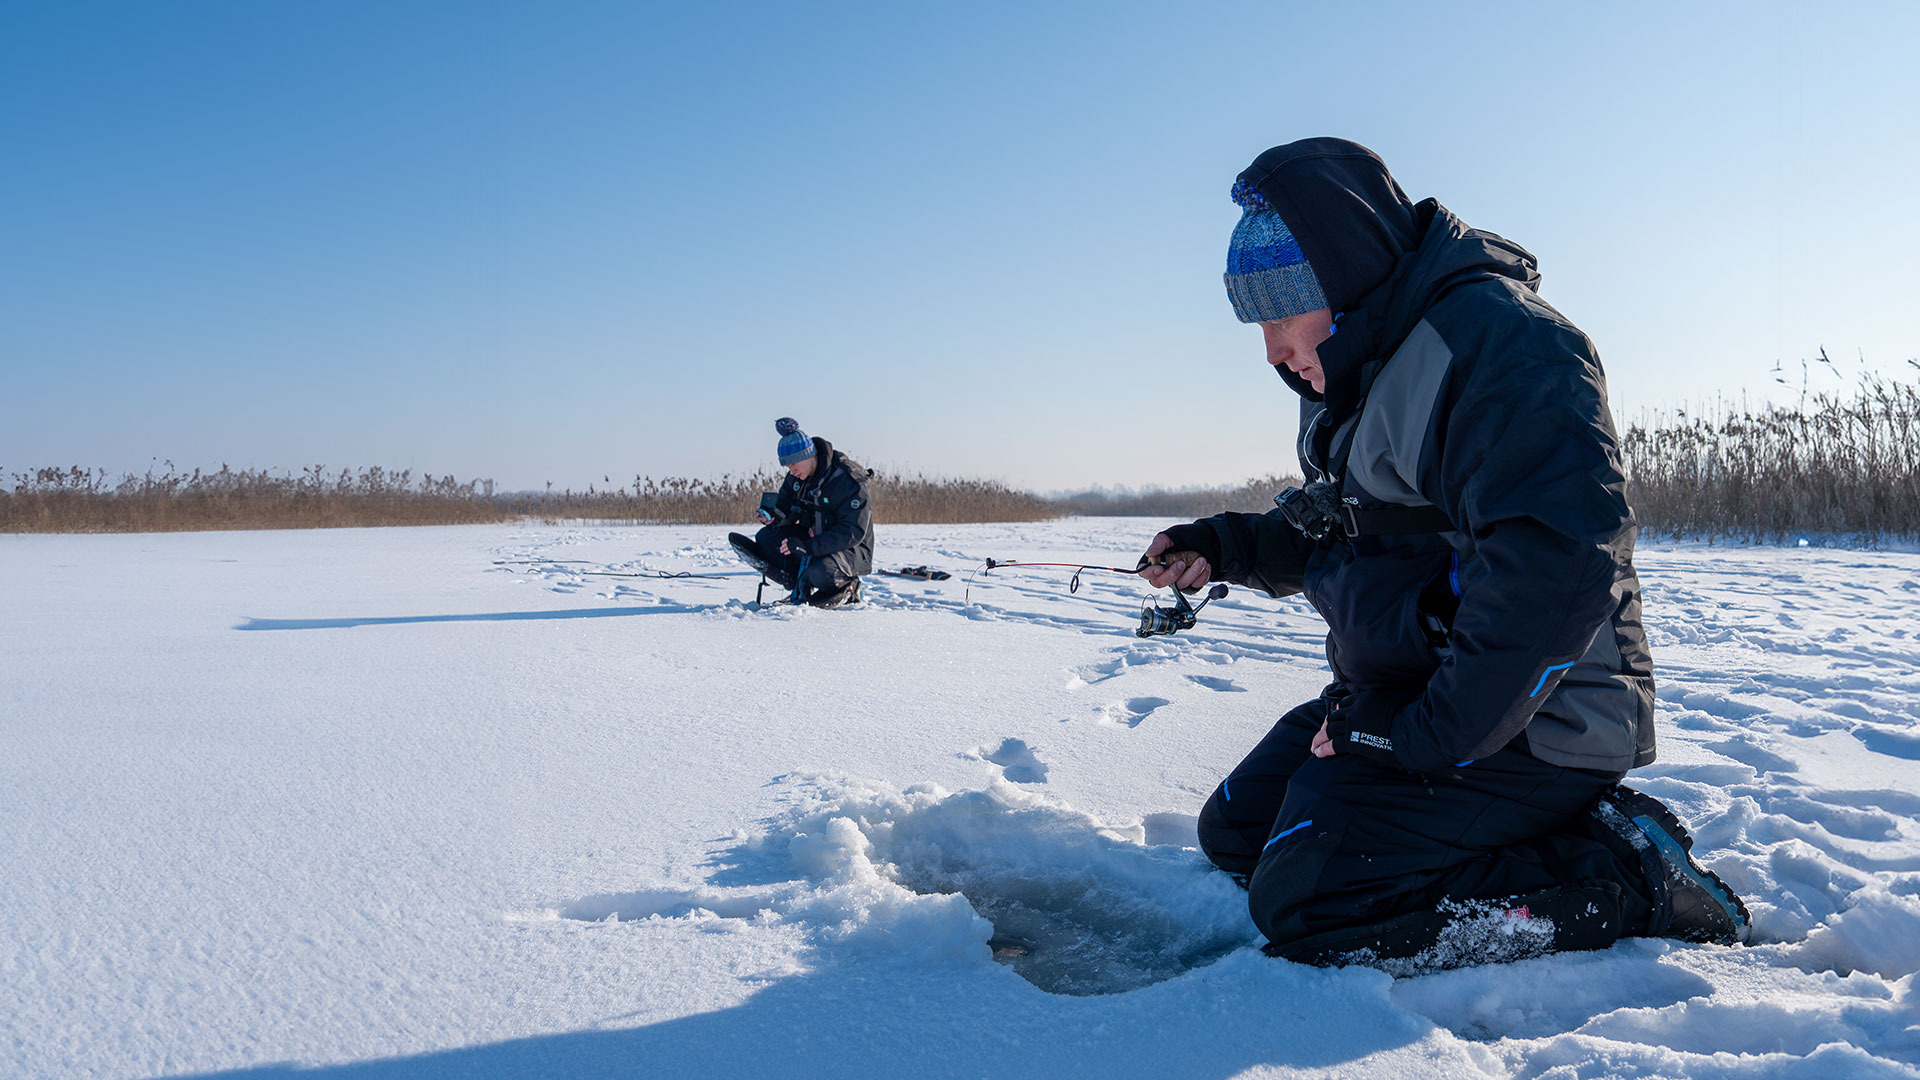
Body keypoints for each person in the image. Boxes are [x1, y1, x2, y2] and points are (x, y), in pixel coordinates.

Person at [1137, 138, 1751, 969]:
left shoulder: (1504, 347)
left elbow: (1558, 575)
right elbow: (1348, 533)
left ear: (1340, 279)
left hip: (1536, 720)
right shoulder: (1367, 373)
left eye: (1280, 317)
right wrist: (1223, 546)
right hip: (1418, 698)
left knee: (1311, 900)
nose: (1274, 352)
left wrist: (1413, 737)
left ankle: (1629, 871)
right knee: (1240, 831)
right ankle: (1531, 830)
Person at [729, 417, 873, 608]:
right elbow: (785, 507)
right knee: (766, 538)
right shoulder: (796, 478)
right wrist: (773, 517)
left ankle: (848, 586)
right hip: (814, 541)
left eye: (793, 464)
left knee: (821, 572)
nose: (791, 470)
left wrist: (808, 547)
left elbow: (851, 531)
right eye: (788, 466)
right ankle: (796, 581)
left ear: (807, 455)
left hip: (851, 549)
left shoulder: (847, 479)